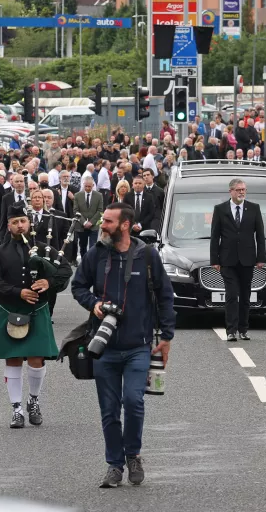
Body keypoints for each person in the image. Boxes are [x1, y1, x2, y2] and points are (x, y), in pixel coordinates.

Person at [71, 202, 176, 488]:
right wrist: (93, 304)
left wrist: (166, 337)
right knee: (108, 409)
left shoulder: (148, 257)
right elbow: (78, 286)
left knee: (133, 400)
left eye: (107, 221)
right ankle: (114, 465)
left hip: (138, 345)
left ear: (125, 225)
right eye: (103, 220)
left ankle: (134, 455)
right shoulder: (96, 255)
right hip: (103, 346)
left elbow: (166, 296)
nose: (102, 225)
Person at [0, 204, 73, 429]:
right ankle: (16, 409)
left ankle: (33, 401)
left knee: (36, 359)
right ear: (8, 225)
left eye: (23, 221)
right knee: (13, 359)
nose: (20, 225)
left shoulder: (44, 250)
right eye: (15, 222)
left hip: (37, 311)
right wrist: (18, 292)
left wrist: (49, 282)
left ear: (29, 223)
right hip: (9, 310)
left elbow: (66, 271)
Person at [210, 178, 266, 342]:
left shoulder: (254, 208)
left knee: (245, 296)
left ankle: (243, 329)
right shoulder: (220, 209)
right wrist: (215, 259)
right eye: (239, 189)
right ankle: (231, 330)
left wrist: (260, 258)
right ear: (231, 191)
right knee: (232, 295)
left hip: (248, 259)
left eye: (244, 189)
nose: (242, 192)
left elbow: (260, 235)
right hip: (227, 260)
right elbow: (215, 236)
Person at [73, 175, 104, 259]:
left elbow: (100, 210)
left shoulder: (99, 195)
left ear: (93, 185)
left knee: (93, 246)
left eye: (89, 186)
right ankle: (84, 262)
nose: (87, 188)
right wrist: (84, 222)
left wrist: (91, 222)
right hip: (81, 225)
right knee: (82, 246)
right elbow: (76, 210)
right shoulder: (77, 195)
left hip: (93, 226)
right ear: (83, 185)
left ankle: (91, 261)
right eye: (85, 186)